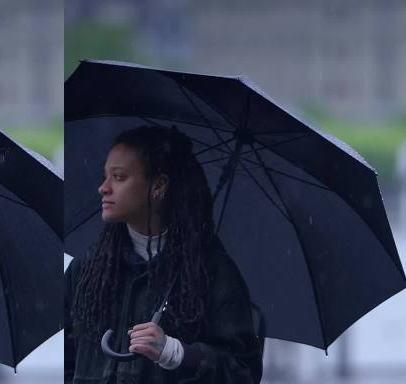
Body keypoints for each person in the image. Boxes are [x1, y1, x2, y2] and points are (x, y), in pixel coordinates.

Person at [64, 127, 263, 383]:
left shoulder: (210, 270)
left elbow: (243, 373)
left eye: (119, 177)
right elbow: (67, 362)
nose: (103, 188)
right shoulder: (87, 270)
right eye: (106, 177)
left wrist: (178, 354)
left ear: (158, 185)